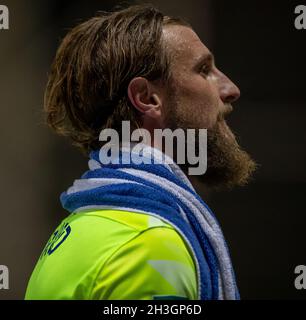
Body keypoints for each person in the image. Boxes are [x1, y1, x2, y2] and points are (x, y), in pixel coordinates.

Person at [25, 4, 256, 300]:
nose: (230, 88)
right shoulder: (150, 247)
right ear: (147, 98)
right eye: (203, 69)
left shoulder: (78, 227)